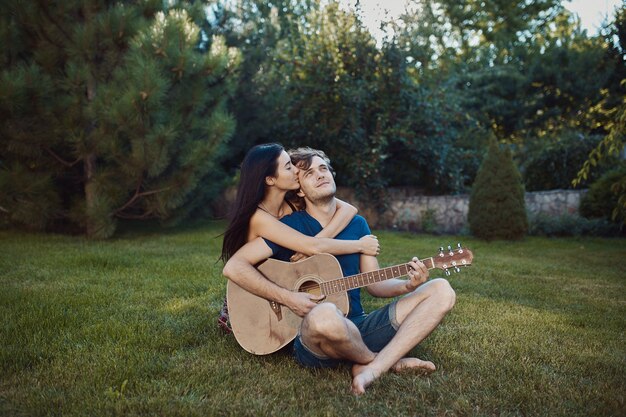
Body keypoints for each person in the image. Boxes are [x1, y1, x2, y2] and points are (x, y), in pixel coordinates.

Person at [222, 147, 456, 394]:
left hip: (358, 326)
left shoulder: (357, 223)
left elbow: (374, 284)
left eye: (323, 168)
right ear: (299, 188)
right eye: (309, 173)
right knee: (326, 314)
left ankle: (369, 365)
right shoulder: (288, 226)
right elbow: (241, 264)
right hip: (315, 333)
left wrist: (408, 285)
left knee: (442, 289)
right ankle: (382, 362)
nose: (320, 175)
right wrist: (289, 297)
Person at [218, 143, 380, 332]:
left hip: (288, 284)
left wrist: (309, 248)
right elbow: (313, 246)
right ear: (270, 180)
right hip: (257, 298)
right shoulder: (260, 218)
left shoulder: (291, 205)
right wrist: (359, 245)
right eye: (288, 167)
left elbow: (348, 209)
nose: (296, 170)